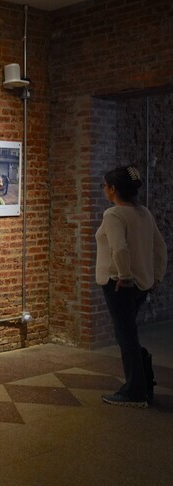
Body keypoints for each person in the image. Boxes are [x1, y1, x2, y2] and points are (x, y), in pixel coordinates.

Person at [96, 165, 167, 408]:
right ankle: (144, 382)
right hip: (142, 284)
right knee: (129, 333)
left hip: (119, 284)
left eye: (106, 186)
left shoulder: (114, 215)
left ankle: (134, 391)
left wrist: (124, 276)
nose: (104, 190)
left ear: (113, 189)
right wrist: (156, 276)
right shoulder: (143, 212)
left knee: (125, 336)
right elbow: (160, 248)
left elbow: (120, 248)